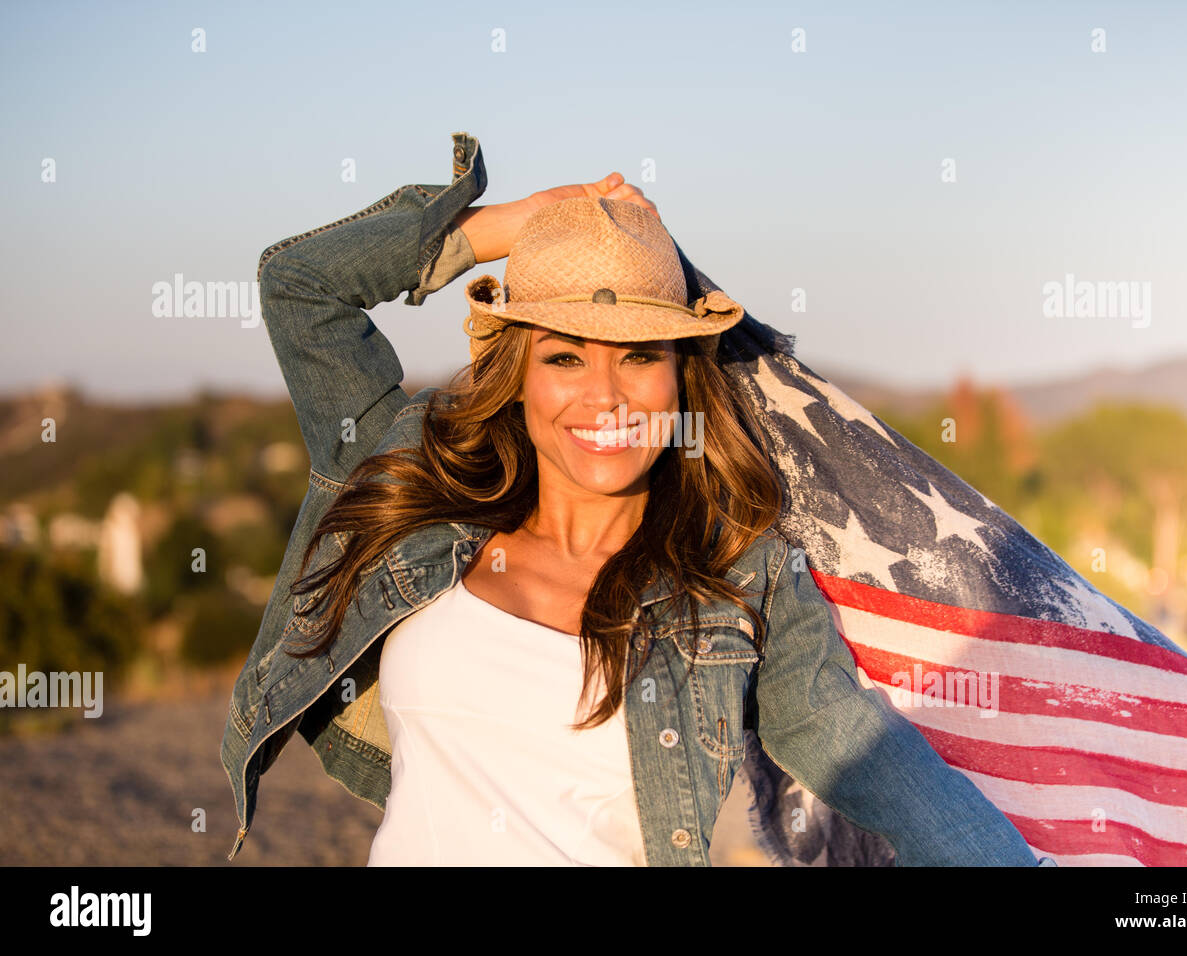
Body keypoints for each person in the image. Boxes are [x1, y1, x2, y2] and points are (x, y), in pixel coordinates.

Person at [223, 131, 1054, 866]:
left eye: (640, 355)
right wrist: (536, 219)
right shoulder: (417, 484)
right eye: (565, 358)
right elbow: (299, 286)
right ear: (516, 376)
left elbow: (874, 763)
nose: (606, 397)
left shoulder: (741, 581)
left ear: (682, 375)